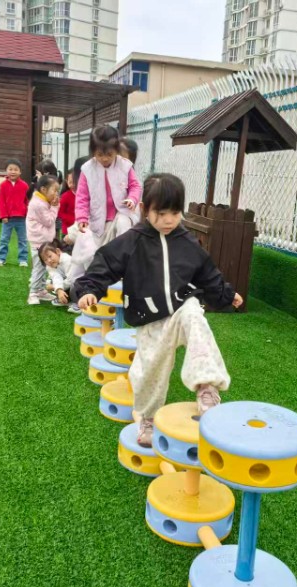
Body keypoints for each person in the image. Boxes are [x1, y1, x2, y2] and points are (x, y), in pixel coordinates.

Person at [73, 174, 244, 447]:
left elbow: (206, 273)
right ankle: (149, 418)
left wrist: (226, 294)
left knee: (195, 318)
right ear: (145, 209)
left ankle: (207, 386)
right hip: (149, 318)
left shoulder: (186, 241)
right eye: (161, 213)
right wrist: (89, 289)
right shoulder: (133, 240)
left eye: (174, 213)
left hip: (181, 306)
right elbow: (105, 263)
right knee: (149, 370)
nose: (168, 220)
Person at [74, 124, 142, 248]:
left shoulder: (125, 166)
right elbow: (82, 197)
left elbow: (135, 186)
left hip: (121, 212)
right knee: (101, 250)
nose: (105, 159)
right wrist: (82, 217)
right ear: (93, 151)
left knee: (123, 226)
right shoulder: (88, 170)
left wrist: (132, 198)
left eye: (109, 154)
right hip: (99, 219)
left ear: (117, 150)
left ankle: (124, 253)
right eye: (100, 154)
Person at [26, 174, 60, 305]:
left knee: (43, 266)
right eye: (54, 190)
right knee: (39, 267)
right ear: (44, 190)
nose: (56, 194)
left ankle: (40, 290)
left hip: (41, 240)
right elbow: (49, 220)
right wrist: (55, 207)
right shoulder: (39, 204)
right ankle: (33, 292)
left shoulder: (41, 200)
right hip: (39, 242)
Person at [0, 158, 30, 267]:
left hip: (21, 218)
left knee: (23, 240)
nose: (13, 172)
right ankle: (1, 258)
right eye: (10, 169)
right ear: (6, 171)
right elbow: (1, 202)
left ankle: (23, 260)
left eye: (16, 169)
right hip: (8, 218)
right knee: (4, 239)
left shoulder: (24, 185)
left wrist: (27, 214)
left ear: (20, 172)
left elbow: (27, 201)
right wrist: (3, 216)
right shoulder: (3, 185)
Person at [38, 239, 81, 314]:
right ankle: (66, 300)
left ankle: (79, 304)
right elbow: (56, 278)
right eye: (45, 260)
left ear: (57, 251)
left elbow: (71, 279)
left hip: (82, 282)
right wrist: (59, 289)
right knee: (53, 282)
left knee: (74, 285)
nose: (49, 260)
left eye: (50, 256)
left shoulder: (67, 260)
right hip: (69, 283)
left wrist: (56, 288)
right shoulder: (50, 266)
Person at [58, 169, 76, 240]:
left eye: (74, 182)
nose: (72, 185)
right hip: (67, 230)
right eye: (70, 182)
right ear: (66, 181)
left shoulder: (84, 195)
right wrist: (72, 219)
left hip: (81, 229)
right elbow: (60, 213)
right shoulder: (65, 196)